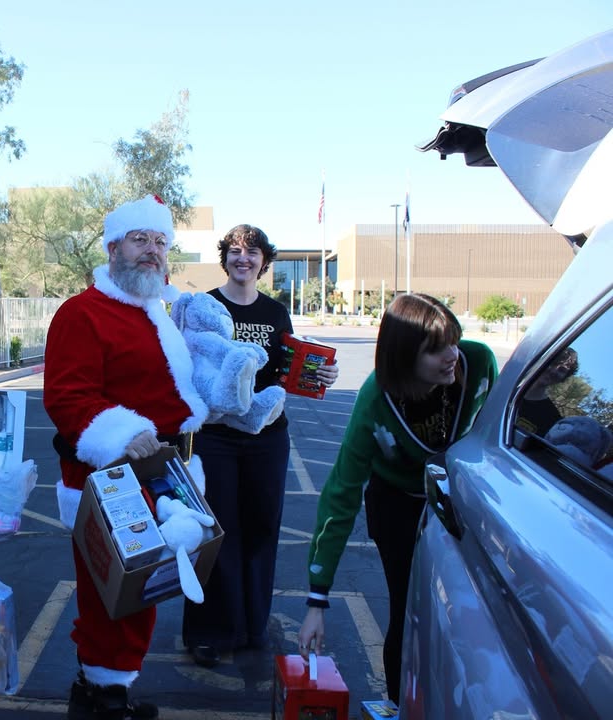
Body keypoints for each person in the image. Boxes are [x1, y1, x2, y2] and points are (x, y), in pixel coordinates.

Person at [43, 194, 209, 720]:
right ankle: (102, 697)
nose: (152, 250)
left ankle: (104, 688)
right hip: (112, 480)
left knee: (141, 594)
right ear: (113, 247)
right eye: (140, 239)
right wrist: (123, 433)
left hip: (165, 477)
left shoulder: (157, 311)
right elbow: (68, 398)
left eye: (160, 241)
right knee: (111, 598)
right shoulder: (81, 313)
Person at [296, 293, 498, 704]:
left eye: (454, 340)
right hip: (397, 503)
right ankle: (398, 703)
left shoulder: (478, 363)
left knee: (467, 618)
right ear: (404, 356)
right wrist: (317, 599)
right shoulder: (376, 399)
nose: (452, 355)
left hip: (456, 499)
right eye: (436, 349)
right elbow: (341, 494)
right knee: (409, 611)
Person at [181, 224, 338, 668]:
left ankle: (252, 626)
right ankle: (210, 632)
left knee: (262, 529)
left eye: (252, 252)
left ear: (264, 262)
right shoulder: (206, 306)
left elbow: (288, 371)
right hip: (216, 437)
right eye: (235, 250)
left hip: (267, 438)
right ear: (225, 258)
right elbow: (187, 365)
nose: (243, 258)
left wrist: (321, 374)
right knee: (216, 532)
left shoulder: (275, 312)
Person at [516, 346, 578, 436]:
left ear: (563, 378)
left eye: (562, 370)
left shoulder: (552, 418)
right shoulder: (509, 388)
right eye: (552, 363)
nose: (553, 371)